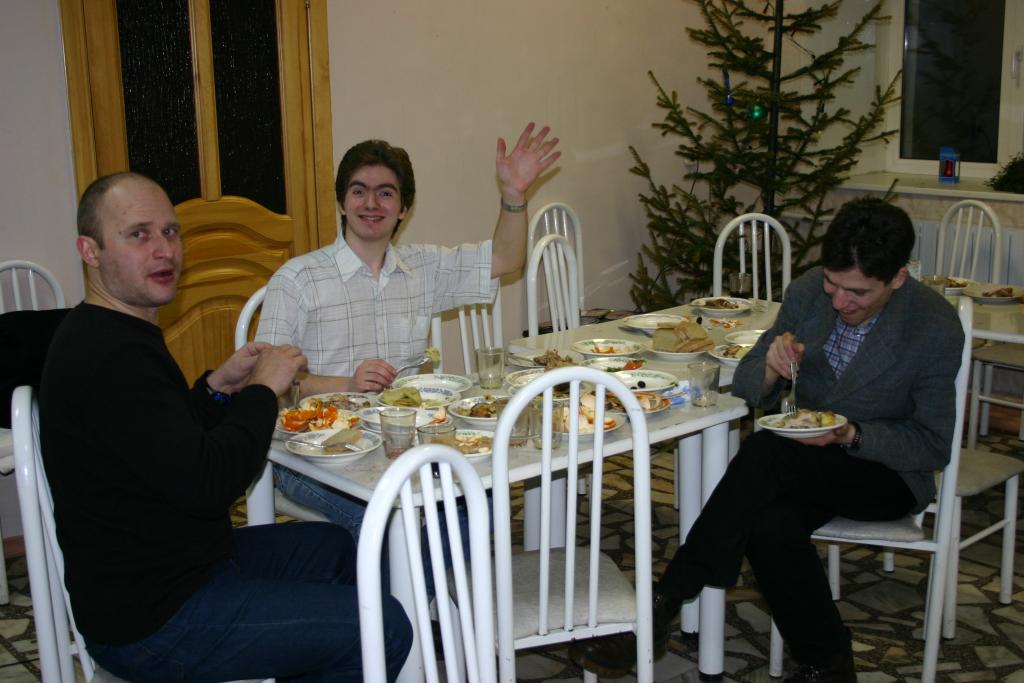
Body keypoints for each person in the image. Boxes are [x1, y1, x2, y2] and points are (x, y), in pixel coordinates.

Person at [571, 198, 964, 683]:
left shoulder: (932, 324)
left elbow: (932, 444)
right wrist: (772, 369)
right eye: (833, 284)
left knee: (765, 451)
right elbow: (747, 383)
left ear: (898, 278)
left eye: (858, 292)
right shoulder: (807, 293)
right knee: (769, 524)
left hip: (884, 473)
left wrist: (852, 433)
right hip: (800, 464)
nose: (840, 301)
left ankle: (663, 601)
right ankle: (829, 665)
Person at [40, 172, 412, 682]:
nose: (163, 250)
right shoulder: (110, 356)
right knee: (383, 628)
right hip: (154, 618)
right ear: (91, 251)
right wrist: (262, 390)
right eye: (138, 234)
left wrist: (219, 389)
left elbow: (164, 443)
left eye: (170, 232)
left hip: (184, 562)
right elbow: (210, 482)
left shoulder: (115, 331)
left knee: (337, 549)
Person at [255, 123, 560, 544]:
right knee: (393, 523)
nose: (371, 203)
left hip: (404, 445)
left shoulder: (423, 268)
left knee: (483, 500)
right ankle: (403, 586)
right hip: (314, 456)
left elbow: (506, 258)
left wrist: (513, 196)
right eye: (359, 191)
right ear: (342, 202)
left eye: (386, 193)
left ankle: (427, 586)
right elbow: (263, 382)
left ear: (403, 208)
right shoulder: (298, 279)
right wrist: (348, 384)